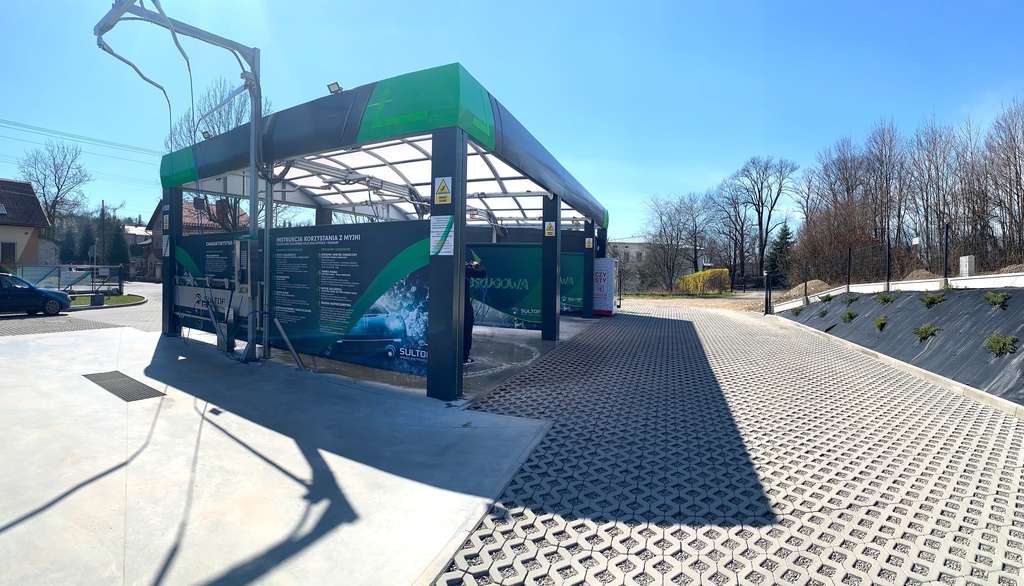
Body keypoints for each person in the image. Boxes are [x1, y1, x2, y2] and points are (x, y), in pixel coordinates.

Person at [463, 260, 486, 366]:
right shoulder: (464, 269)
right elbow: (482, 272)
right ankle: (463, 358)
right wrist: (476, 265)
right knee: (466, 331)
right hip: (464, 306)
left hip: (447, 306)